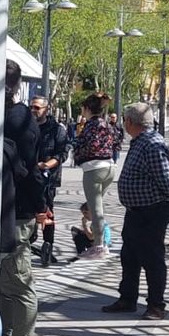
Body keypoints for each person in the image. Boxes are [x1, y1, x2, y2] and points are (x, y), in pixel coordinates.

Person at [101, 104, 169, 321]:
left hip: (152, 211)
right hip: (136, 211)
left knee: (152, 258)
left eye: (124, 120)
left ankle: (156, 305)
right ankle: (127, 298)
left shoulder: (152, 144)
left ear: (130, 122)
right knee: (129, 257)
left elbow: (164, 178)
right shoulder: (140, 141)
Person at [0, 61, 47, 336]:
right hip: (9, 210)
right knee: (5, 285)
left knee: (17, 283)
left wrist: (39, 206)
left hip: (16, 212)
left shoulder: (18, 120)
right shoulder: (13, 116)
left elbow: (27, 171)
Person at [71, 93, 118, 260]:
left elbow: (89, 145)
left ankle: (99, 245)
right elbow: (117, 140)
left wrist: (78, 147)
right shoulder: (107, 124)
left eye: (83, 108)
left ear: (87, 108)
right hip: (109, 167)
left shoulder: (90, 126)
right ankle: (101, 242)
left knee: (95, 209)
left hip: (93, 169)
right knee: (97, 207)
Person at [30, 95, 69, 266]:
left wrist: (46, 165)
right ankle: (29, 239)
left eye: (37, 108)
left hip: (48, 178)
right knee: (28, 210)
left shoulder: (57, 129)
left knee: (47, 210)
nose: (33, 110)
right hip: (28, 175)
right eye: (32, 107)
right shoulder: (27, 126)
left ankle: (48, 245)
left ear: (46, 109)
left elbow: (61, 154)